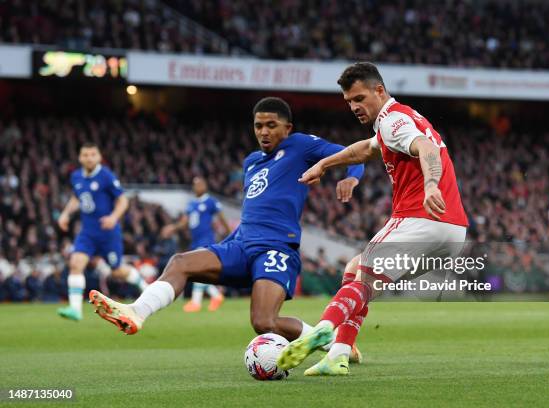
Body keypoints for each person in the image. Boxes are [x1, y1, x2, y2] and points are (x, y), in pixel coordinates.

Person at [89, 97, 365, 354]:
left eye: (271, 125)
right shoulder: (252, 162)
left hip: (275, 249)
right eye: (258, 126)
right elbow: (251, 213)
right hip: (241, 245)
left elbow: (354, 153)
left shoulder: (300, 145)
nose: (264, 132)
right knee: (180, 262)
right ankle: (136, 311)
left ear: (287, 127)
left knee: (264, 323)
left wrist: (351, 178)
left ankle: (332, 344)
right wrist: (231, 240)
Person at [278, 62, 468, 375]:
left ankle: (324, 329)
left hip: (419, 220)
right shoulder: (401, 119)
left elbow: (426, 149)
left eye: (360, 98)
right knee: (358, 276)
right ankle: (338, 355)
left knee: (358, 275)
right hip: (452, 233)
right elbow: (365, 150)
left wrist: (431, 184)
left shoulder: (393, 120)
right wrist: (324, 165)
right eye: (349, 102)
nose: (354, 106)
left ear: (379, 90)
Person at [57, 143, 147, 321]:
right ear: (80, 157)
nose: (89, 158)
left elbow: (122, 201)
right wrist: (65, 214)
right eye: (85, 155)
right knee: (76, 263)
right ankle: (75, 310)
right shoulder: (76, 176)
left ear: (98, 157)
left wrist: (113, 217)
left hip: (108, 233)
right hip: (88, 232)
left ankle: (146, 287)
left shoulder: (106, 175)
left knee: (117, 271)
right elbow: (77, 197)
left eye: (92, 154)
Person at [161, 176, 230, 312]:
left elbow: (221, 217)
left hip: (206, 240)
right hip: (195, 240)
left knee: (197, 268)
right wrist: (173, 228)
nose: (196, 187)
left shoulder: (210, 201)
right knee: (198, 271)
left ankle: (196, 302)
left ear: (205, 185)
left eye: (199, 184)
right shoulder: (191, 204)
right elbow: (184, 222)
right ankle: (216, 296)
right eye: (194, 184)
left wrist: (230, 233)